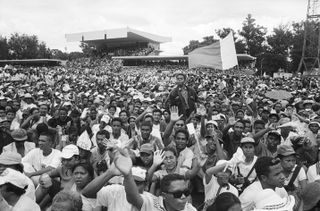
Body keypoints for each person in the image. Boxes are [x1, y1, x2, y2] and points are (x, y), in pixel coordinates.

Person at [114, 148, 197, 210]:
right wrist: (128, 175)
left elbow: (191, 174)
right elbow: (146, 181)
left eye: (186, 192)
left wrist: (198, 166)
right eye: (177, 194)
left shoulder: (189, 209)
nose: (183, 197)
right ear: (164, 195)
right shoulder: (151, 204)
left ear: (176, 158)